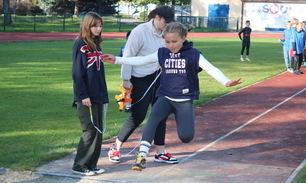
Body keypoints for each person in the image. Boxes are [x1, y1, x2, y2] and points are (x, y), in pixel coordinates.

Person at [101, 22, 242, 170]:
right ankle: (142, 156)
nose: (171, 45)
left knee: (186, 137)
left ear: (184, 38)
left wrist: (226, 82)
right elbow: (141, 60)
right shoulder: (162, 52)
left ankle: (154, 151)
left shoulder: (194, 54)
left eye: (174, 41)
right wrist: (117, 59)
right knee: (153, 119)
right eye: (167, 41)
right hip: (165, 97)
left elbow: (211, 69)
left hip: (184, 100)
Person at [107, 5, 177, 164]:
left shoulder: (166, 32)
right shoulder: (140, 31)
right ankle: (116, 147)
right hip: (139, 78)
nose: (167, 26)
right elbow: (128, 55)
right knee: (138, 115)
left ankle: (160, 152)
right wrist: (126, 79)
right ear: (157, 17)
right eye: (165, 22)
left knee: (161, 114)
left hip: (158, 77)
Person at [71, 12, 108, 176]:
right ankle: (79, 165)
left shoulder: (95, 44)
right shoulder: (81, 45)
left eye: (100, 25)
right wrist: (83, 95)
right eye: (95, 25)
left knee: (98, 130)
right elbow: (78, 73)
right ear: (87, 26)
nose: (98, 29)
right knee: (90, 130)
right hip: (86, 96)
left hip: (98, 94)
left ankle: (91, 164)